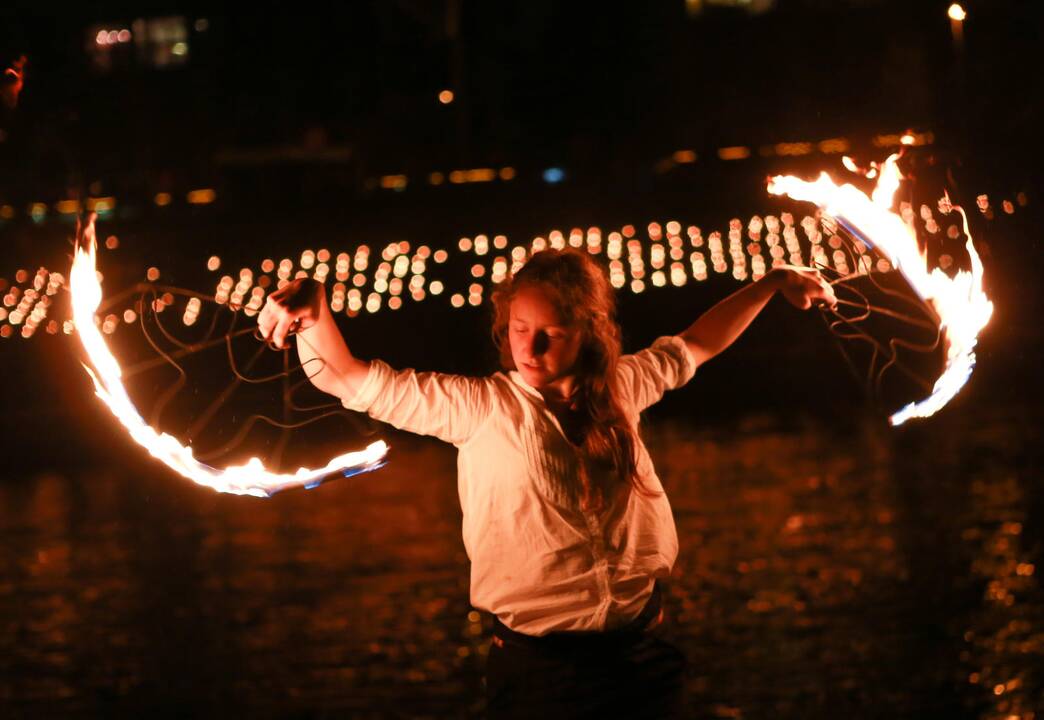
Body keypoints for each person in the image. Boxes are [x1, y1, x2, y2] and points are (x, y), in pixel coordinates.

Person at [257, 248, 835, 718]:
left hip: (644, 657)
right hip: (542, 678)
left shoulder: (622, 387)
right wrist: (313, 311)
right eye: (518, 329)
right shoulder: (480, 408)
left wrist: (771, 284)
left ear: (586, 332)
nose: (527, 349)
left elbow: (696, 345)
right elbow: (354, 381)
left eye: (550, 334)